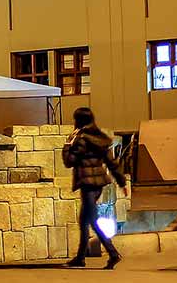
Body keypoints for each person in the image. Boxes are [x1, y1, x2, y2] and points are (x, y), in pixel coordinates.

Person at [63, 107, 127, 270]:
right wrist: (122, 182)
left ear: (79, 120)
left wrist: (67, 145)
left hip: (87, 184)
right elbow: (111, 163)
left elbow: (69, 161)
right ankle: (80, 257)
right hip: (98, 184)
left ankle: (113, 254)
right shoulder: (99, 138)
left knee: (92, 220)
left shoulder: (81, 139)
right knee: (84, 221)